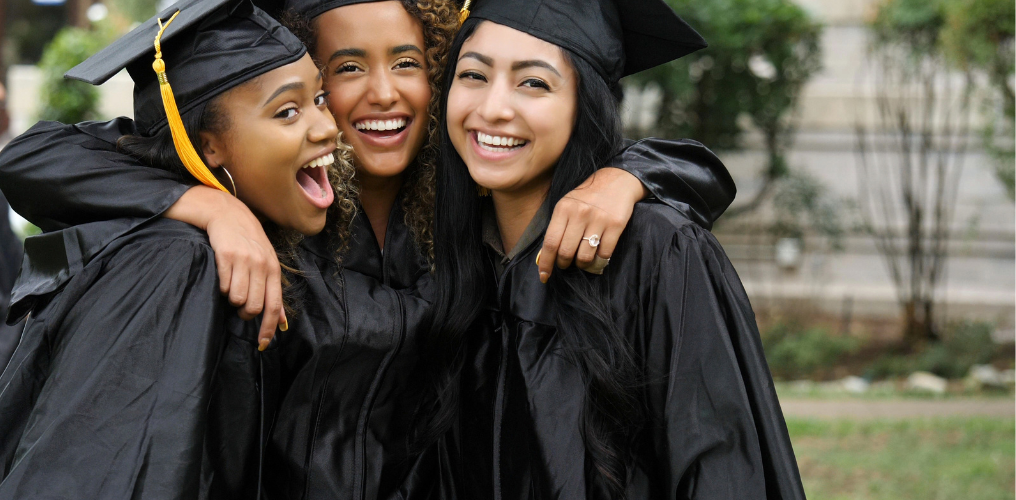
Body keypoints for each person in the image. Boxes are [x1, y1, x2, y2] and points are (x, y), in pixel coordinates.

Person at [0, 2, 737, 499]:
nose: (382, 93)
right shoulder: (272, 221)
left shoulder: (462, 215)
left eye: (408, 63)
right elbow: (41, 158)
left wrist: (629, 176)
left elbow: (623, 160)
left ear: (440, 75)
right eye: (346, 70)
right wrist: (210, 208)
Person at [423, 0, 807, 497]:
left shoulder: (657, 253)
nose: (493, 107)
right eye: (473, 75)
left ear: (586, 104)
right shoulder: (450, 254)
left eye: (534, 82)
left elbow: (720, 472)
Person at [0, 0, 343, 496]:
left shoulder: (264, 235)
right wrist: (207, 205)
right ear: (205, 148)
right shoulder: (175, 261)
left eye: (321, 98)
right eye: (287, 111)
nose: (328, 126)